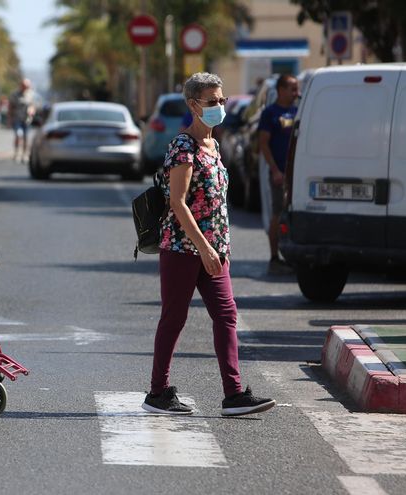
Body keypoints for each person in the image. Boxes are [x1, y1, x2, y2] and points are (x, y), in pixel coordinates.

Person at [142, 72, 276, 418]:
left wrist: (215, 248)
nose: (219, 106)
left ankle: (233, 395)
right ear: (193, 105)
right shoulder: (183, 147)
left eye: (221, 100)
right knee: (174, 318)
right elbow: (178, 202)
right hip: (184, 249)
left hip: (215, 249)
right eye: (211, 101)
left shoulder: (214, 146)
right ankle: (158, 392)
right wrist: (203, 248)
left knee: (226, 315)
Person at [258, 74, 299, 275]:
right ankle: (274, 257)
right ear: (281, 90)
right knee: (277, 213)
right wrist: (275, 170)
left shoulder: (297, 111)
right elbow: (263, 143)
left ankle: (292, 253)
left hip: (296, 174)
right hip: (279, 173)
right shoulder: (270, 113)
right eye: (292, 89)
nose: (296, 93)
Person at [9, 78, 36, 163]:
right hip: (17, 118)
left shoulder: (31, 94)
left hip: (27, 120)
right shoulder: (14, 94)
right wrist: (9, 119)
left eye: (27, 86)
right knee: (18, 135)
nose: (26, 88)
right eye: (24, 86)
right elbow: (10, 107)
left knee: (26, 137)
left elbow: (33, 106)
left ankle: (25, 154)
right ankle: (16, 153)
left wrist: (31, 112)